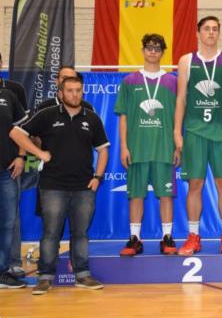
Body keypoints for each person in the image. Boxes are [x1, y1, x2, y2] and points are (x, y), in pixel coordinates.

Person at [10, 76, 109, 295]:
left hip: (84, 187)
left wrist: (98, 177)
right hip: (52, 186)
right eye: (70, 91)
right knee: (51, 233)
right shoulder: (47, 115)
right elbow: (16, 133)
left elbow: (103, 149)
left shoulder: (91, 118)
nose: (75, 94)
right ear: (61, 93)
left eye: (79, 90)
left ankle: (82, 275)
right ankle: (45, 277)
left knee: (81, 233)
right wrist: (39, 153)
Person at [174, 16, 222, 256]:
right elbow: (181, 98)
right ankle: (193, 237)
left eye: (215, 29)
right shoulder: (186, 61)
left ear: (218, 33)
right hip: (195, 132)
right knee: (195, 184)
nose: (211, 33)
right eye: (206, 29)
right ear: (198, 33)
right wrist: (176, 132)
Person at [115, 34, 180, 256]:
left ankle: (167, 237)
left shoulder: (173, 81)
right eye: (149, 48)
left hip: (164, 148)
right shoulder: (129, 81)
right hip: (137, 149)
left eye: (157, 48)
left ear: (163, 52)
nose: (153, 51)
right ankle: (135, 238)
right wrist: (123, 146)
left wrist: (178, 145)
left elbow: (179, 117)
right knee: (136, 195)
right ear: (143, 51)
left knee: (166, 195)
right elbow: (123, 116)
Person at [0, 51, 28, 280]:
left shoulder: (10, 93)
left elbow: (22, 131)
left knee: (10, 219)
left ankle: (9, 266)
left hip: (7, 169)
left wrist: (21, 156)